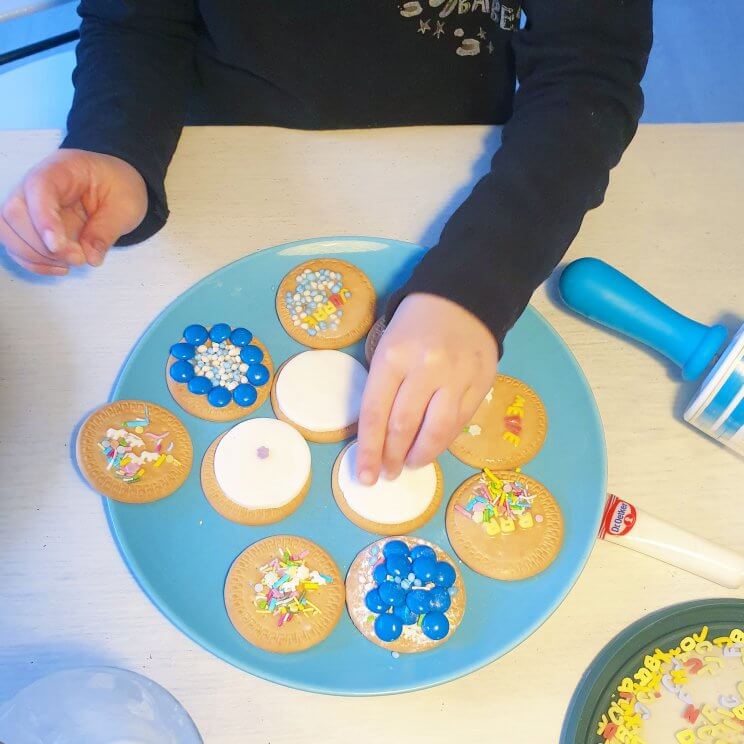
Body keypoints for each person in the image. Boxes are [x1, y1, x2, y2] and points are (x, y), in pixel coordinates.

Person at [0, 1, 652, 485]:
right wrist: (116, 144)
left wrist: (481, 279)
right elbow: (134, 20)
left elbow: (588, 75)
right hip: (225, 156)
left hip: (460, 159)